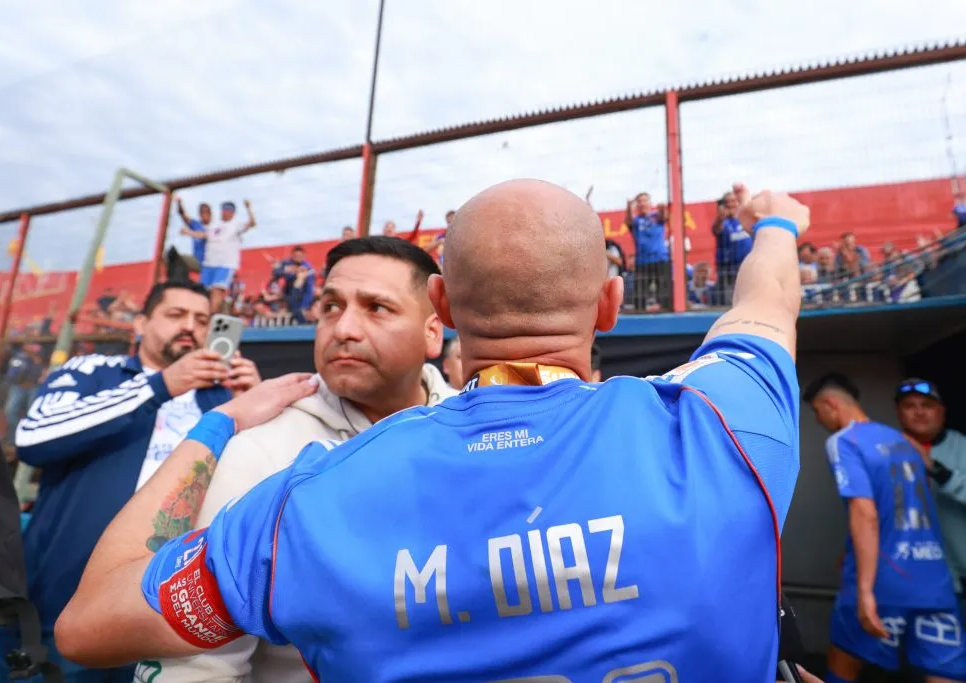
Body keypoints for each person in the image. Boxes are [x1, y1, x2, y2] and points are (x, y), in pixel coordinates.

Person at [57, 180, 808, 681]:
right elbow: (768, 294)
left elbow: (89, 624)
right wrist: (775, 222)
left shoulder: (309, 500)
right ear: (611, 304)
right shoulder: (722, 425)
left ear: (439, 308)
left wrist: (209, 430)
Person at [139, 236, 455, 682]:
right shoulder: (262, 449)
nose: (344, 328)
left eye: (376, 308)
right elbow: (199, 665)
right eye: (330, 307)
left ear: (432, 332)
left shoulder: (481, 433)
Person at [0, 281, 262, 683]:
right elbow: (33, 436)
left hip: (169, 611)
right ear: (140, 324)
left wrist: (250, 405)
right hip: (59, 604)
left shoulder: (224, 396)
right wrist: (159, 385)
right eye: (175, 315)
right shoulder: (95, 371)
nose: (190, 327)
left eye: (202, 320)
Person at [803, 373, 965, 683]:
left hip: (884, 579)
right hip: (934, 581)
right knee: (944, 673)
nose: (819, 419)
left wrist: (864, 591)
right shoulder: (903, 441)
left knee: (843, 663)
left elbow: (866, 513)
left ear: (830, 404)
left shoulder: (844, 441)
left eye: (816, 412)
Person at [895, 378, 966, 600]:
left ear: (941, 411)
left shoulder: (960, 446)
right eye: (909, 406)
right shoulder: (889, 450)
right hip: (910, 578)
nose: (919, 413)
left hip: (960, 578)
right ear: (898, 413)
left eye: (927, 405)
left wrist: (935, 469)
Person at [201, 200, 257, 312]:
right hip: (209, 264)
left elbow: (252, 223)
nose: (226, 213)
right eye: (224, 210)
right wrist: (188, 232)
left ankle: (210, 319)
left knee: (217, 291)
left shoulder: (236, 225)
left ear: (233, 213)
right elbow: (203, 235)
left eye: (229, 211)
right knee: (204, 293)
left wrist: (249, 208)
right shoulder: (214, 226)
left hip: (225, 264)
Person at [624, 191, 671, 310]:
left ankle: (665, 312)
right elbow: (628, 221)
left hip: (660, 259)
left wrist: (663, 209)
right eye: (639, 201)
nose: (642, 204)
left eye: (645, 201)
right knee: (640, 294)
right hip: (642, 261)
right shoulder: (636, 220)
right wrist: (629, 206)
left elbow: (665, 216)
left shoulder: (656, 216)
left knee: (665, 291)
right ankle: (640, 317)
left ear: (650, 203)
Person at [712, 190, 752, 303]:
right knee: (731, 299)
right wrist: (721, 216)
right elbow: (716, 228)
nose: (731, 204)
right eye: (727, 202)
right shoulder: (723, 222)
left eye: (734, 201)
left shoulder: (745, 219)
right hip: (729, 268)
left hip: (748, 265)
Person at [177, 199, 212, 267]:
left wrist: (188, 232)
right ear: (199, 214)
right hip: (197, 261)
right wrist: (179, 203)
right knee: (176, 258)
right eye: (202, 212)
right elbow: (183, 215)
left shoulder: (213, 226)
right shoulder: (196, 224)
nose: (204, 214)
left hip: (209, 262)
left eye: (206, 212)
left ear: (210, 213)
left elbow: (204, 235)